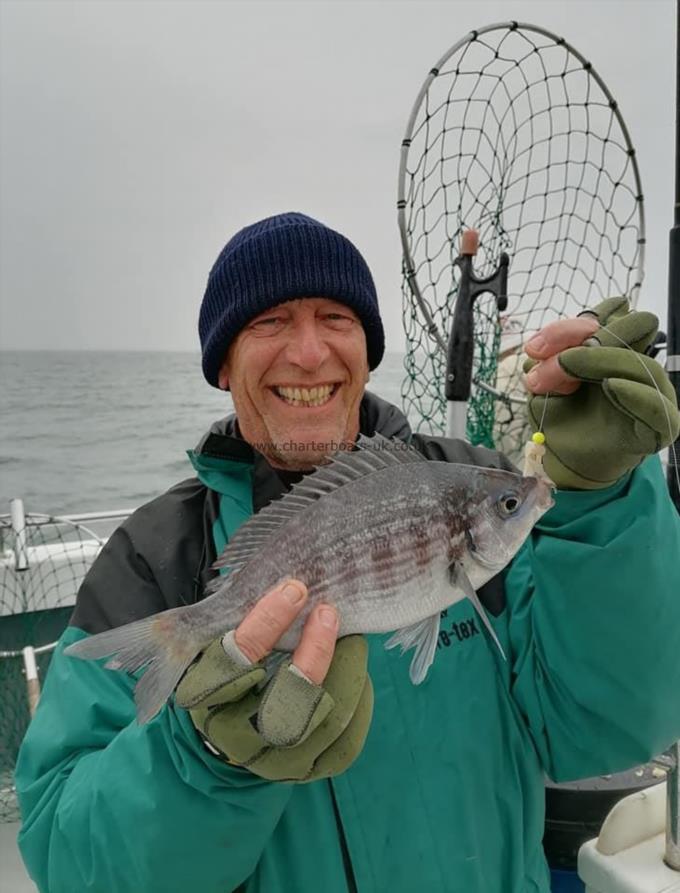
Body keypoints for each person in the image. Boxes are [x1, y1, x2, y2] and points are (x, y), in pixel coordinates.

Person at [15, 212, 680, 893]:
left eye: (336, 317)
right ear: (222, 363)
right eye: (268, 321)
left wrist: (605, 502)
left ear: (367, 348)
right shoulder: (152, 557)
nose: (308, 353)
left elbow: (612, 725)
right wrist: (208, 755)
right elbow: (72, 863)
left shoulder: (473, 479)